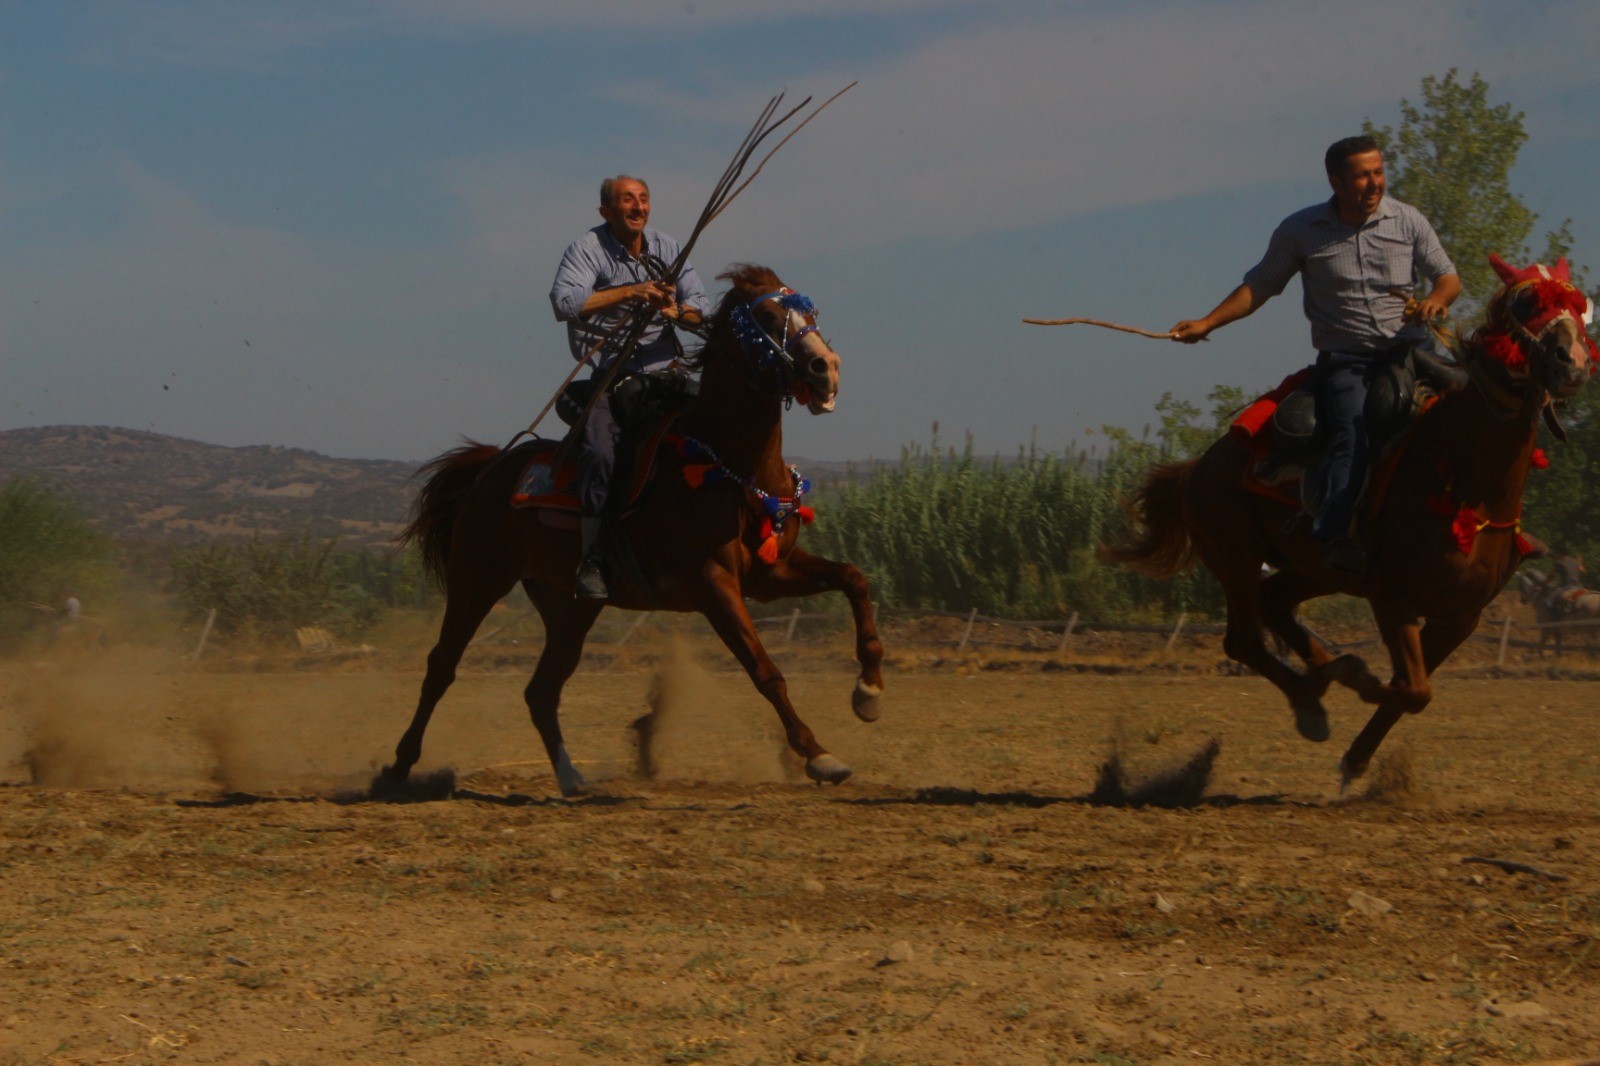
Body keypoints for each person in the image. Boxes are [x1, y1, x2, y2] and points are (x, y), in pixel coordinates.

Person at [1170, 135, 1462, 573]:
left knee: (1484, 406)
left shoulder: (1408, 221)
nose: (1374, 183)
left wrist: (1437, 299)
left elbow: (1447, 277)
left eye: (1378, 172)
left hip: (1414, 354)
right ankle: (1336, 535)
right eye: (1362, 176)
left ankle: (1500, 528)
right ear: (1336, 182)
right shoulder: (1300, 231)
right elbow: (1260, 286)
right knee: (1353, 430)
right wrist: (1207, 323)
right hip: (1350, 363)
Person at [549, 175, 710, 599]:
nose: (637, 207)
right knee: (600, 452)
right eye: (627, 200)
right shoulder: (588, 248)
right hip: (611, 374)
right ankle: (593, 558)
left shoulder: (668, 247)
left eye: (642, 199)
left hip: (665, 373)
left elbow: (701, 311)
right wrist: (632, 292)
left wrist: (672, 309)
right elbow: (564, 303)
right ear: (606, 210)